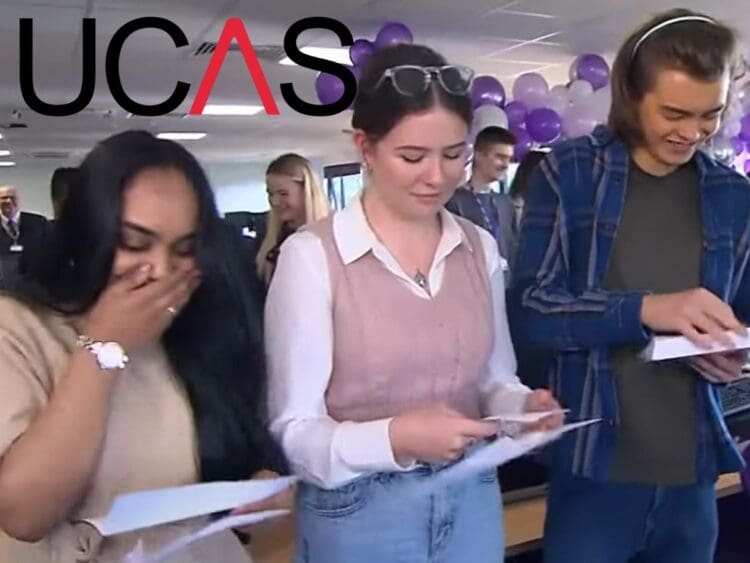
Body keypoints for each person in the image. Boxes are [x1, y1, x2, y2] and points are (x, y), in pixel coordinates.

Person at [265, 44, 563, 563]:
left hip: (471, 499)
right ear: (365, 147)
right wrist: (395, 438)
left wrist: (521, 410)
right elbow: (296, 431)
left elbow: (493, 381)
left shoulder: (478, 246)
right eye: (412, 157)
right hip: (360, 514)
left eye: (453, 155)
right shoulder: (313, 257)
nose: (436, 177)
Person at [508, 9, 750, 563]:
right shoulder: (568, 173)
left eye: (709, 115)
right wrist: (646, 309)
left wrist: (730, 351)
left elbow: (740, 312)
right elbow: (531, 311)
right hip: (594, 474)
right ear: (631, 95)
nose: (692, 133)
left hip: (693, 476)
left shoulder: (733, 195)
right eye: (674, 113)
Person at [0, 131, 289, 563]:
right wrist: (105, 345)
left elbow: (242, 450)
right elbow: (24, 515)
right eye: (135, 243)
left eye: (183, 249)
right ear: (88, 234)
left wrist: (258, 490)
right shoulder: (19, 327)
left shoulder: (195, 324)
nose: (159, 271)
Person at [254, 153, 329, 286]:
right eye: (270, 194)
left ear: (305, 191)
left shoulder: (333, 238)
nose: (275, 201)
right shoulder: (270, 242)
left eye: (283, 194)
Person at [445, 126, 517, 261]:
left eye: (509, 159)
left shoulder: (506, 202)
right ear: (479, 155)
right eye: (500, 157)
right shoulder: (453, 201)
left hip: (506, 279)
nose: (506, 165)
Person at [0, 185, 48, 291]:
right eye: (3, 198)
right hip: (3, 288)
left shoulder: (38, 222)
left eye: (12, 197)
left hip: (35, 286)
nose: (8, 201)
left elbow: (48, 251)